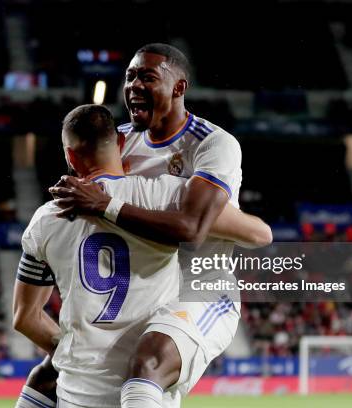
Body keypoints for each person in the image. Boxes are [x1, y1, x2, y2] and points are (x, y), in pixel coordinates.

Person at [50, 44, 271, 407]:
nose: (134, 85)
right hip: (140, 293)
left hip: (201, 288)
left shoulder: (213, 145)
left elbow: (192, 227)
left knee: (149, 362)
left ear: (179, 88)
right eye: (130, 76)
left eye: (148, 77)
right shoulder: (119, 140)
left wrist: (108, 204)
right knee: (57, 374)